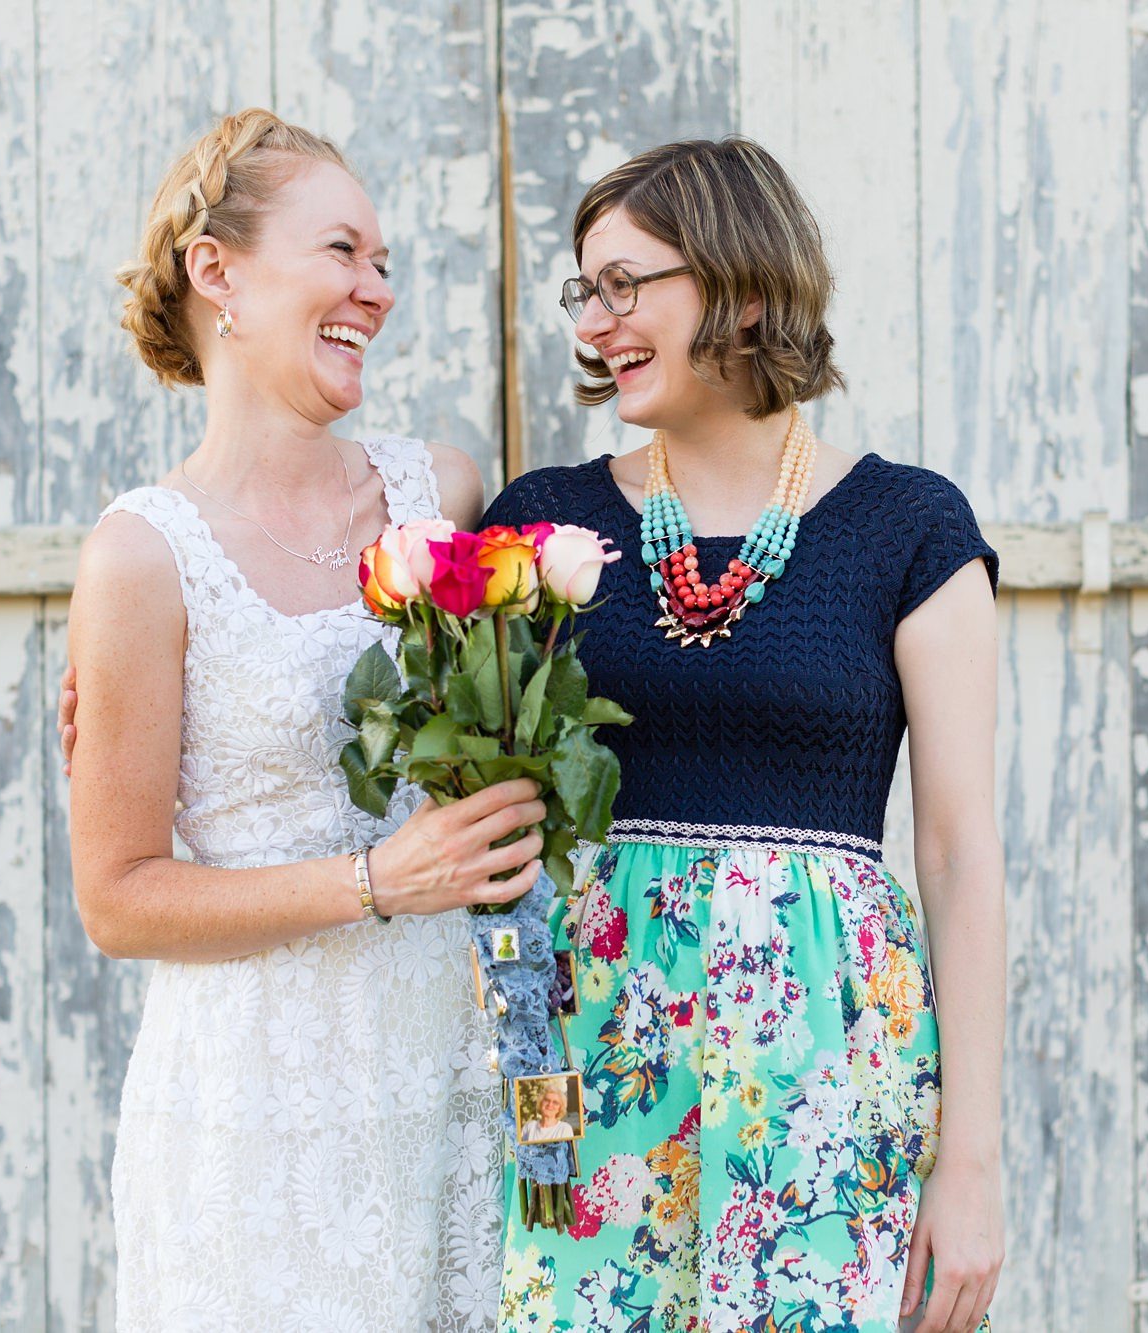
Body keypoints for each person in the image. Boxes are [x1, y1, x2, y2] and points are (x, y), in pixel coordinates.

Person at [482, 138, 1004, 1333]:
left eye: (628, 284)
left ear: (746, 288)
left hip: (824, 1067)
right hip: (595, 1058)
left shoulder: (907, 528)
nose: (597, 321)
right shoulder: (543, 524)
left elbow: (962, 855)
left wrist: (968, 1163)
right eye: (586, 290)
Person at [65, 108, 545, 1331]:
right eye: (341, 251)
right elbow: (118, 897)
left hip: (448, 1081)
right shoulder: (140, 556)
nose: (373, 290)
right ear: (216, 271)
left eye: (383, 264)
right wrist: (377, 878)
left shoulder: (439, 493)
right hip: (248, 1118)